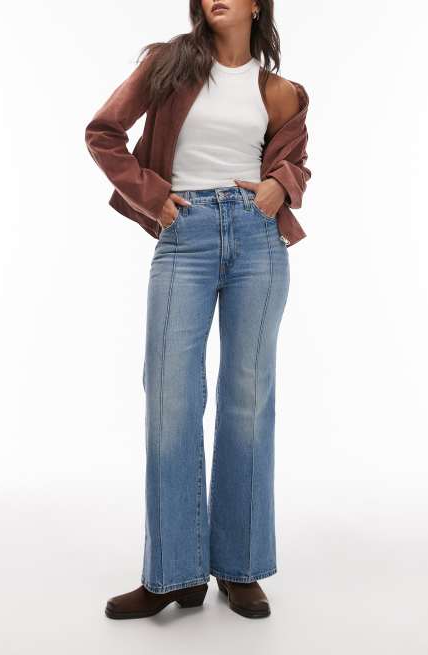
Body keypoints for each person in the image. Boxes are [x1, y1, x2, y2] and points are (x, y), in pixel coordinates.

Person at [84, 0, 311, 620]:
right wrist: (153, 197)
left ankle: (239, 568)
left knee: (248, 400)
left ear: (258, 4)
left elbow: (295, 163)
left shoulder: (281, 91)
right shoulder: (168, 65)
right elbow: (103, 133)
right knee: (170, 399)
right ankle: (173, 574)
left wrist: (279, 185)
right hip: (184, 234)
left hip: (258, 241)